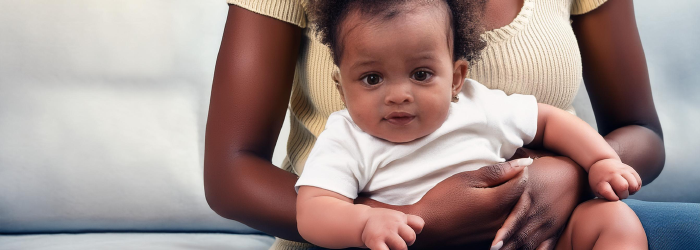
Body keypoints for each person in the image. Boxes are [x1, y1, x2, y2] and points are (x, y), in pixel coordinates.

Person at [205, 0, 698, 249]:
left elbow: (631, 130)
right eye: (372, 77)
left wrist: (575, 172)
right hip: (386, 241)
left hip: (545, 227)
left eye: (422, 75)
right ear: (342, 84)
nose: (399, 94)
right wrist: (398, 223)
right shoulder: (346, 138)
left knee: (612, 223)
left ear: (457, 76)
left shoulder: (479, 106)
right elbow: (243, 181)